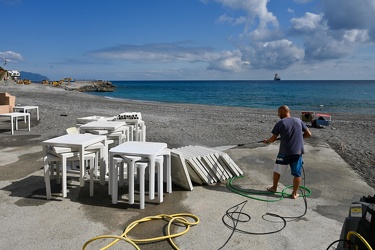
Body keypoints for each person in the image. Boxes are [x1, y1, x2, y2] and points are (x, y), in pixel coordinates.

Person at [263, 105, 312, 199]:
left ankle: (274, 188)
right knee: (297, 173)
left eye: (278, 112)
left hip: (284, 152)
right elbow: (309, 134)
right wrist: (299, 137)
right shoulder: (299, 121)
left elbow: (273, 138)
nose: (278, 115)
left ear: (283, 111)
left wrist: (267, 141)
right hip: (297, 152)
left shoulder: (280, 123)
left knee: (277, 170)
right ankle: (294, 193)